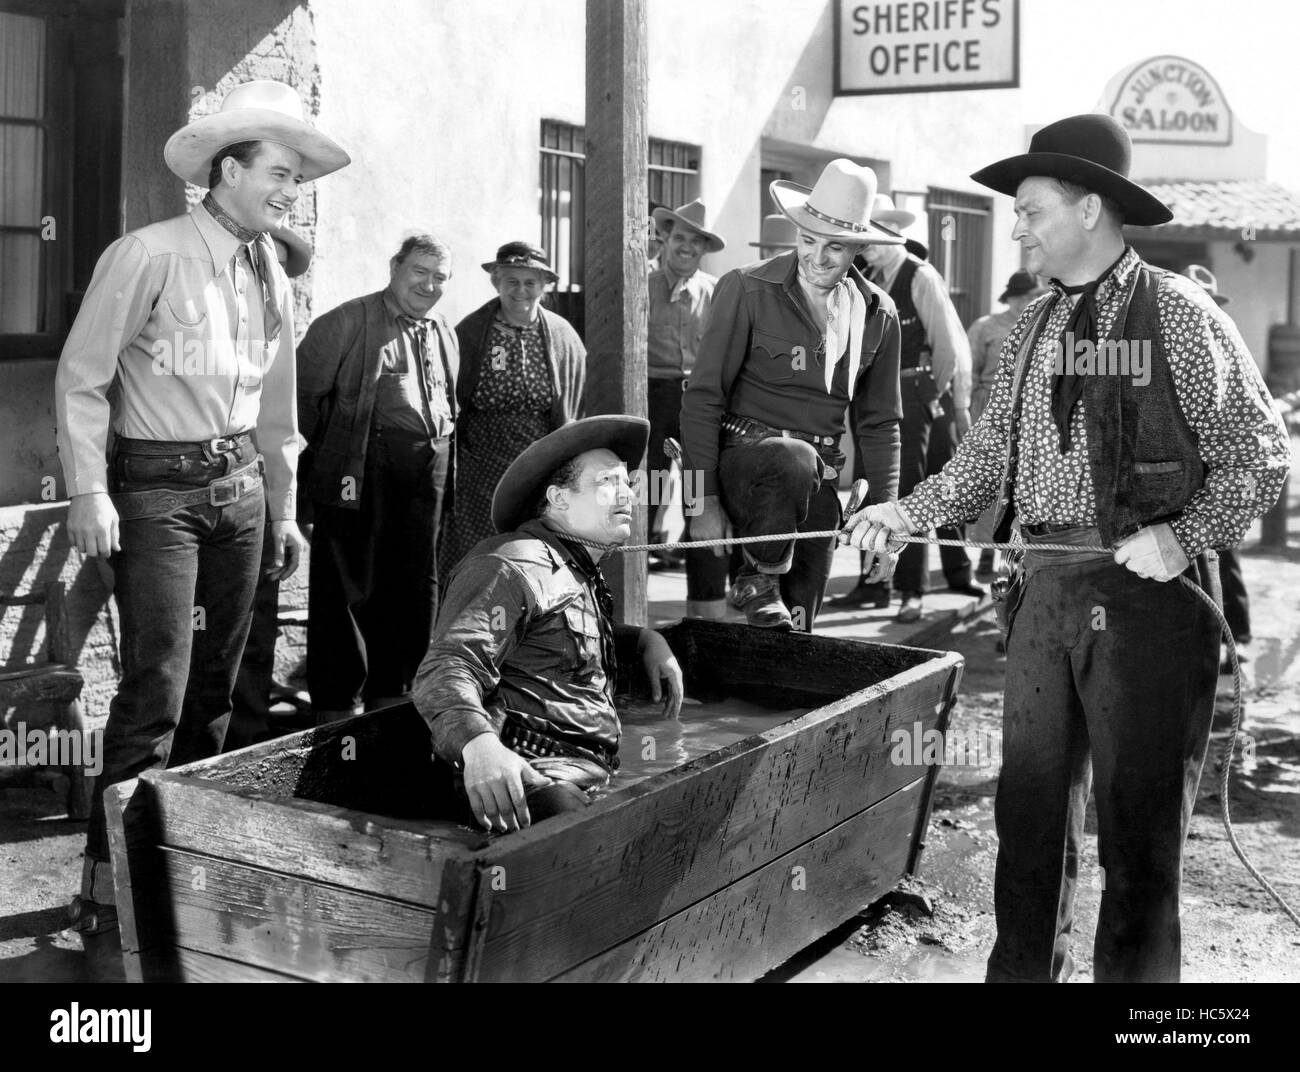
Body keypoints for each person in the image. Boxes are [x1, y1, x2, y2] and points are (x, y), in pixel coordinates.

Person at [843, 113, 1291, 983]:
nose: (1016, 227)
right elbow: (979, 465)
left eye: (1031, 209)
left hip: (1149, 603)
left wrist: (1182, 536)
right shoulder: (1032, 327)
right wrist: (905, 512)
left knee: (1140, 840)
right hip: (1042, 597)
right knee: (1031, 824)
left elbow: (1260, 457)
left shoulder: (1181, 316)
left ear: (1090, 209)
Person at [55, 80, 348, 979]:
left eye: (296, 179)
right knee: (157, 688)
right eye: (277, 174)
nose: (289, 192)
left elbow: (279, 409)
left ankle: (183, 866)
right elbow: (82, 376)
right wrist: (89, 491)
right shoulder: (146, 254)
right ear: (226, 172)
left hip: (241, 493)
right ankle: (106, 892)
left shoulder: (271, 272)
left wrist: (286, 508)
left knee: (224, 687)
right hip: (156, 491)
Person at [413, 416, 683, 832]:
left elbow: (555, 644)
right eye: (607, 481)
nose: (627, 493)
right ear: (558, 497)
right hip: (533, 785)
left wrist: (644, 640)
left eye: (627, 482)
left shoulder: (572, 566)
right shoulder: (508, 564)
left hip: (587, 776)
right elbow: (446, 668)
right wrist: (479, 744)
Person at [681, 159, 903, 631]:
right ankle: (756, 579)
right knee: (792, 459)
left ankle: (779, 693)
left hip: (819, 484)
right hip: (747, 467)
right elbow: (702, 396)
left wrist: (885, 521)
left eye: (835, 247)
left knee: (797, 625)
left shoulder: (880, 315)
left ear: (859, 248)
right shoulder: (745, 288)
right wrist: (703, 502)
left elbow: (880, 424)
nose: (818, 258)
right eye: (808, 240)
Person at [297, 234, 458, 723]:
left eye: (439, 278)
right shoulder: (346, 322)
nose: (428, 285)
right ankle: (334, 717)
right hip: (358, 474)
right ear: (395, 267)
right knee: (344, 591)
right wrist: (334, 463)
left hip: (426, 473)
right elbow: (299, 403)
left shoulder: (443, 330)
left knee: (413, 589)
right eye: (419, 272)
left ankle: (395, 704)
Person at [833, 194, 980, 620]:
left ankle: (911, 590)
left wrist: (932, 397)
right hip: (871, 400)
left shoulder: (921, 276)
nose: (868, 243)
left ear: (897, 234)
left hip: (912, 397)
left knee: (908, 492)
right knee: (867, 488)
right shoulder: (865, 278)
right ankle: (872, 585)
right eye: (863, 234)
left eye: (876, 233)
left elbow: (949, 348)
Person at [439, 242, 586, 573]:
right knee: (479, 548)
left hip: (539, 462)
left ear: (544, 287)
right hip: (480, 462)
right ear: (496, 283)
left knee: (533, 549)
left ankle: (529, 620)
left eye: (530, 282)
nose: (521, 291)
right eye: (511, 281)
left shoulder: (563, 336)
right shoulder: (472, 332)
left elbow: (575, 402)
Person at [226, 225, 314, 751]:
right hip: (202, 495)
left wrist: (285, 510)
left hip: (262, 497)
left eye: (277, 268)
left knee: (256, 630)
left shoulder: (283, 346)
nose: (267, 277)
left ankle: (247, 742)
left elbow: (287, 428)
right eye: (259, 264)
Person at [645, 198, 729, 616]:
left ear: (703, 249)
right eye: (680, 238)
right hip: (651, 402)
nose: (686, 248)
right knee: (645, 496)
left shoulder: (715, 293)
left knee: (701, 498)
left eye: (696, 243)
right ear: (665, 237)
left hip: (696, 406)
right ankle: (626, 606)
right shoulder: (639, 286)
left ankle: (707, 607)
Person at [1186, 264, 1253, 672]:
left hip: (1218, 465)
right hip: (1177, 468)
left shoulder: (1228, 341)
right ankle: (1194, 644)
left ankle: (1238, 638)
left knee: (1224, 553)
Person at [965, 269, 1047, 579]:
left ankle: (1014, 557)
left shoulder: (1042, 325)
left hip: (1030, 414)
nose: (1029, 301)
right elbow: (969, 373)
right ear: (1011, 297)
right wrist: (971, 416)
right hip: (989, 407)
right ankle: (986, 552)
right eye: (1024, 296)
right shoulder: (985, 327)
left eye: (1033, 296)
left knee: (1022, 487)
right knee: (990, 484)